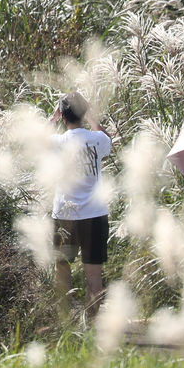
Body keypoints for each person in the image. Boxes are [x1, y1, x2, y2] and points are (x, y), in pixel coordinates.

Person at [50, 91, 112, 321]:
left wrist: (53, 119)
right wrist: (93, 118)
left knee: (62, 269)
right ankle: (94, 327)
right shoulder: (97, 139)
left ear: (63, 115)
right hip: (95, 215)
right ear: (83, 114)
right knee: (94, 276)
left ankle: (64, 322)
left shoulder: (57, 142)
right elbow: (108, 140)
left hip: (65, 214)